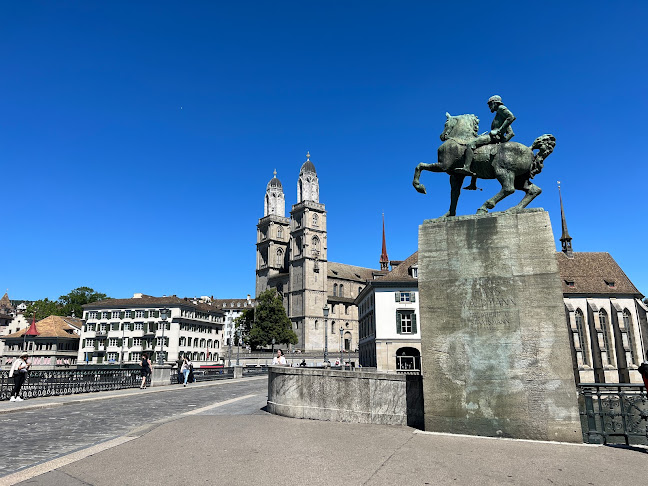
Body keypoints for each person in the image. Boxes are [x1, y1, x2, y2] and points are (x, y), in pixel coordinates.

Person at [456, 95, 517, 189]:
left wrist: (499, 132)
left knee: (471, 144)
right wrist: (503, 141)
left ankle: (466, 167)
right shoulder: (502, 117)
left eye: (490, 104)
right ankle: (473, 183)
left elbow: (511, 117)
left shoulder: (501, 108)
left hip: (493, 137)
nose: (489, 107)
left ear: (494, 102)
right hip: (496, 138)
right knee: (477, 151)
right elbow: (511, 133)